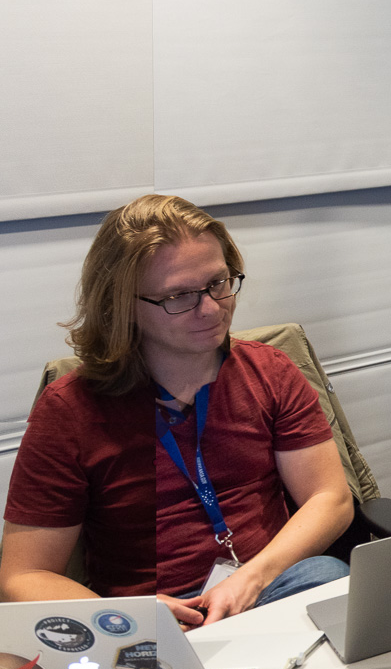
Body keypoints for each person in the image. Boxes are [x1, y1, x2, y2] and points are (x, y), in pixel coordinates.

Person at [0, 195, 353, 629]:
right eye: (179, 296)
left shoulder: (270, 372)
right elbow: (23, 576)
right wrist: (130, 616)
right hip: (147, 616)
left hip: (266, 584)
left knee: (327, 575)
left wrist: (252, 578)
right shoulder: (69, 411)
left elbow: (330, 499)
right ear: (121, 304)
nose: (211, 308)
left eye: (218, 282)